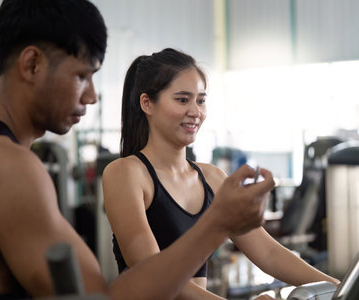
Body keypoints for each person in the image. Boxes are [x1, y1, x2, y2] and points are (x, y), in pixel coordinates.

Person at [0, 1, 275, 299]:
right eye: (82, 75)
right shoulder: (7, 168)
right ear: (32, 64)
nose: (91, 95)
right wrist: (218, 224)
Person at [102, 48, 340, 300]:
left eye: (201, 100)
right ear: (147, 103)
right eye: (182, 100)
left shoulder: (212, 178)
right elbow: (151, 273)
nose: (195, 111)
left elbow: (268, 253)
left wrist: (339, 286)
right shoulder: (126, 173)